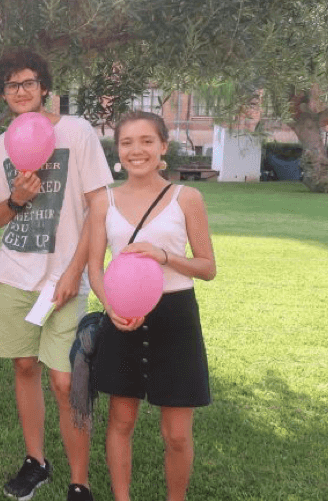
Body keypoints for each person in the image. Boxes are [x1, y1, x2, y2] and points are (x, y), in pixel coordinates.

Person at [0, 50, 111, 501]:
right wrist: (15, 198)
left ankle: (80, 481)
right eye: (12, 85)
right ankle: (36, 462)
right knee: (23, 367)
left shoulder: (76, 133)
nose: (21, 91)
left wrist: (77, 271)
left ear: (44, 88)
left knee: (65, 381)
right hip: (16, 274)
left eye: (29, 83)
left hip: (66, 279)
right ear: (3, 94)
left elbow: (100, 206)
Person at [86, 111, 216, 501]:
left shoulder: (187, 198)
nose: (136, 150)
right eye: (127, 142)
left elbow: (207, 267)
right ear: (118, 149)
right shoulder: (102, 201)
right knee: (121, 421)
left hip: (175, 319)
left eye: (146, 141)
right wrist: (111, 309)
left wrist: (164, 255)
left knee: (176, 434)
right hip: (123, 317)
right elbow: (95, 267)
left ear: (163, 146)